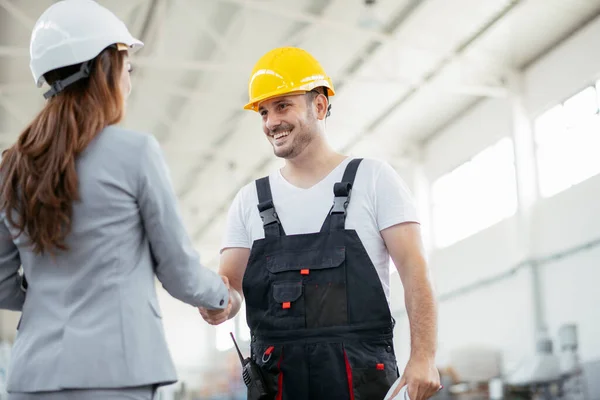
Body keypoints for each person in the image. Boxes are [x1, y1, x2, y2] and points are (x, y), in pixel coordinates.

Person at [0, 1, 230, 399]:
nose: (128, 79)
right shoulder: (135, 152)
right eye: (127, 66)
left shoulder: (11, 166)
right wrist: (224, 298)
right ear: (105, 68)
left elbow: (2, 285)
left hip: (31, 376)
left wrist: (49, 305)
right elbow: (177, 270)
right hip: (117, 375)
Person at [199, 47, 440, 400]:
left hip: (363, 383)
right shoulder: (249, 200)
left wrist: (424, 357)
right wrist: (219, 304)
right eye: (263, 111)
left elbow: (415, 272)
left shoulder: (374, 180)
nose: (270, 122)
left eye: (283, 106)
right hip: (278, 384)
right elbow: (231, 289)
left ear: (320, 106)